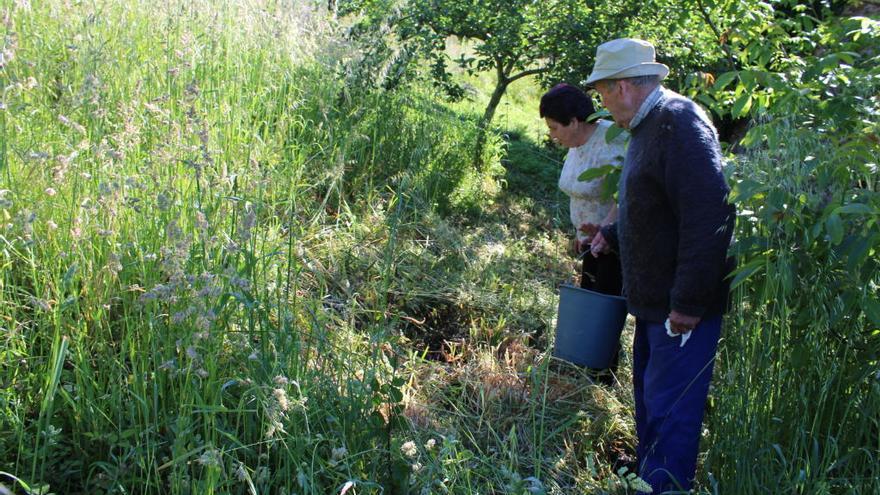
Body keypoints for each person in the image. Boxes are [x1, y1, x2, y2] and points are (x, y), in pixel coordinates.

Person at [585, 38, 735, 493]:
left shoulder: (679, 122)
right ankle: (648, 479)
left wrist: (688, 302)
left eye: (603, 92)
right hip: (656, 302)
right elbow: (652, 203)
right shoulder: (647, 126)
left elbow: (710, 215)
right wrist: (612, 234)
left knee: (672, 413)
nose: (602, 103)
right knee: (652, 402)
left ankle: (664, 486)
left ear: (623, 86)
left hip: (680, 308)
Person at [539, 83, 626, 296]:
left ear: (573, 122)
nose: (551, 134)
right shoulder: (575, 143)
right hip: (590, 243)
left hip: (615, 245)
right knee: (589, 302)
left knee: (604, 305)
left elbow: (628, 191)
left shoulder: (613, 140)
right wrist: (581, 231)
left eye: (554, 127)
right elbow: (583, 193)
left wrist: (606, 230)